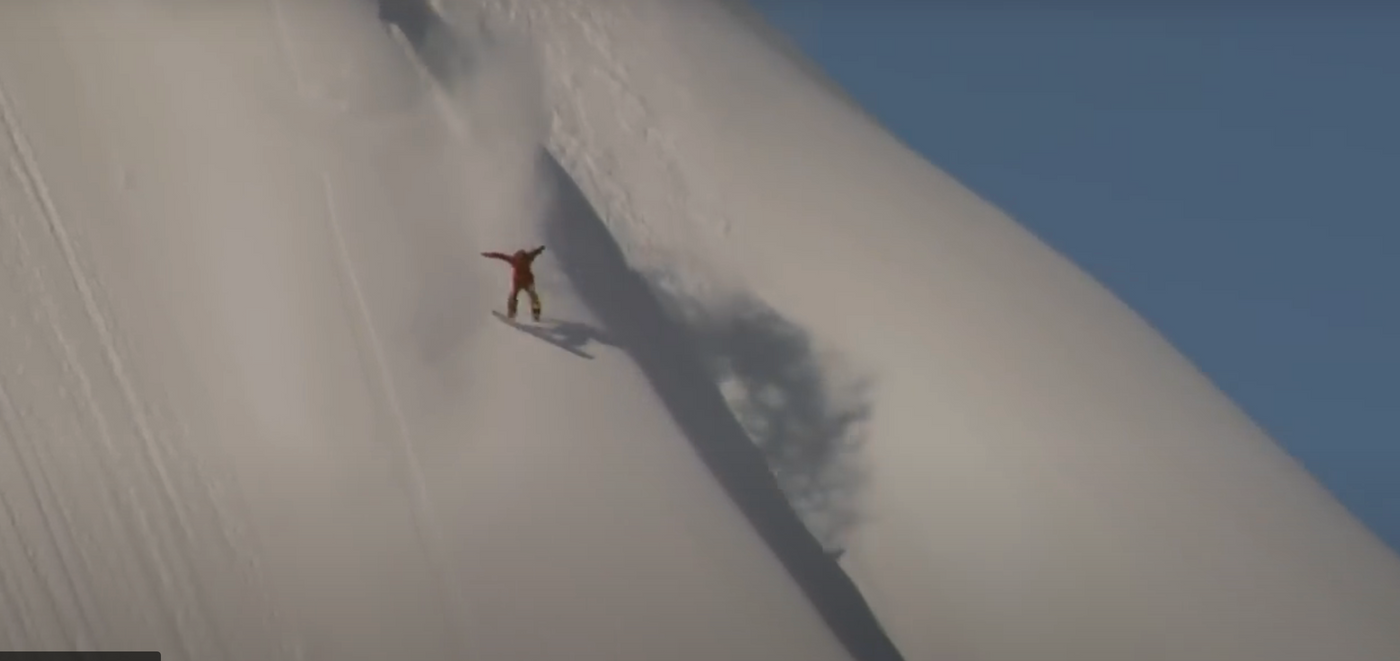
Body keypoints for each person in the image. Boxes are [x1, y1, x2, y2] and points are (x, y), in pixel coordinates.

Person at [481, 245, 546, 321]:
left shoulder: (518, 259)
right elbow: (500, 256)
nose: (521, 261)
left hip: (525, 281)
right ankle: (513, 314)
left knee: (531, 297)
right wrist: (540, 249)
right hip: (521, 282)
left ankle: (534, 314)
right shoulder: (523, 258)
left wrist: (540, 249)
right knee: (519, 297)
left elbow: (500, 256)